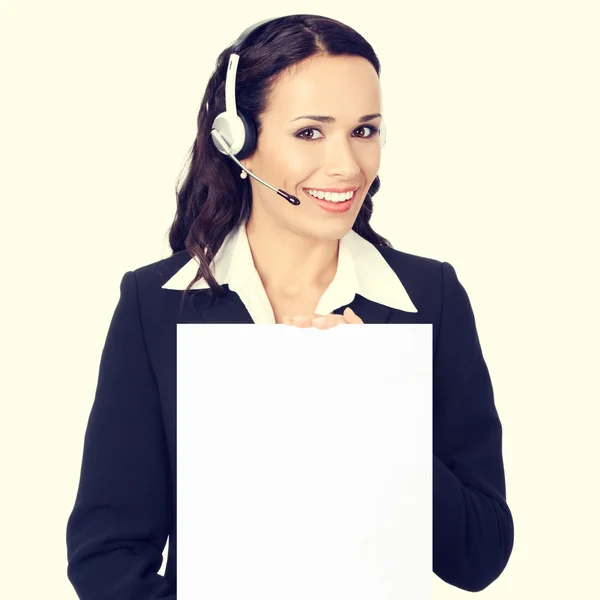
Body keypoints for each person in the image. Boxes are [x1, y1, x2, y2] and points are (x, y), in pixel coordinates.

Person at [66, 14, 514, 599]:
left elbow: (478, 557)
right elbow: (107, 555)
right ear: (237, 140)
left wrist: (379, 417)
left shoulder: (430, 297)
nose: (347, 166)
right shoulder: (156, 306)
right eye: (310, 132)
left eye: (365, 130)